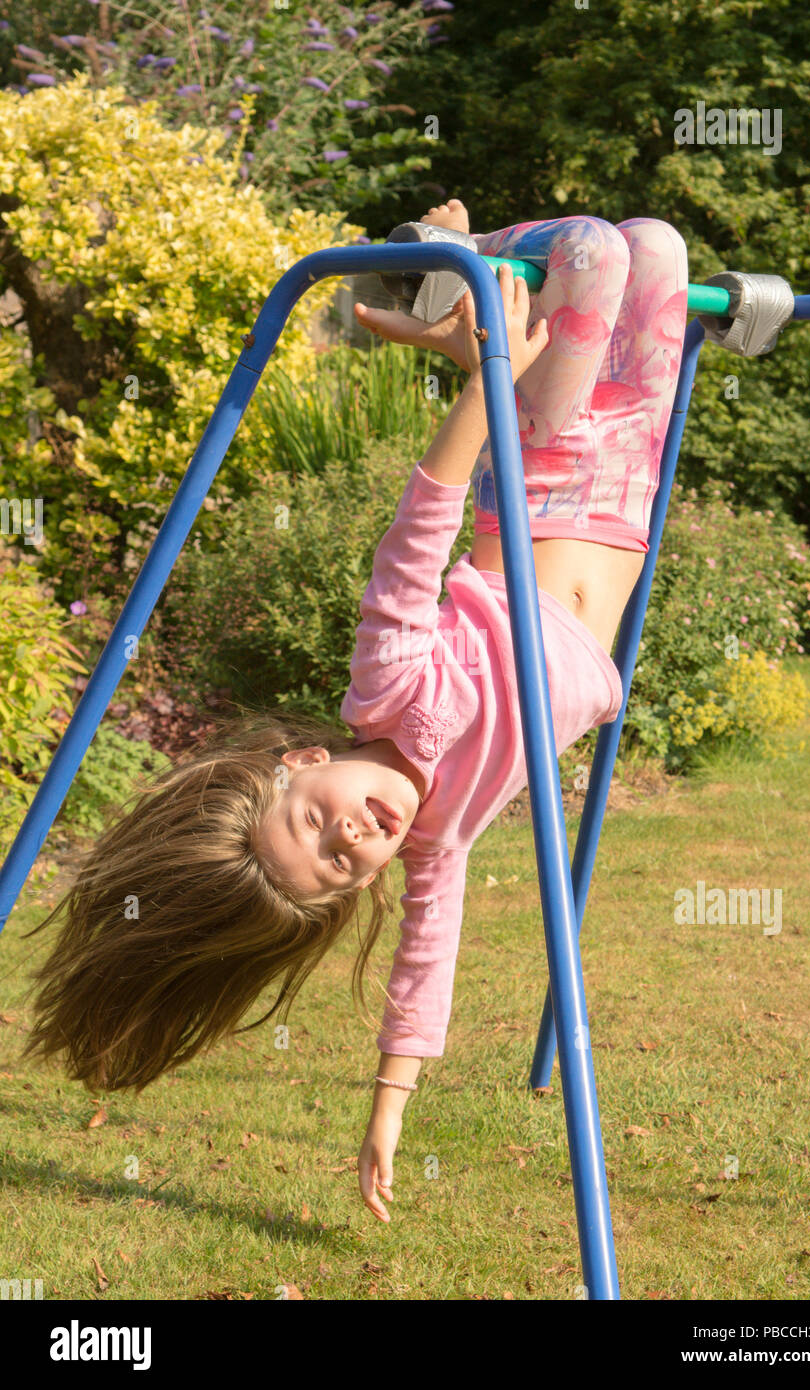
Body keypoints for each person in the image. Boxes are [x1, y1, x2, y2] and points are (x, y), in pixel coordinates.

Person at [21, 197, 687, 1227]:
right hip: (627, 488)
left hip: (543, 470)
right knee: (659, 252)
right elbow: (424, 972)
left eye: (308, 820)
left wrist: (484, 384)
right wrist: (387, 1112)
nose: (348, 836)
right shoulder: (441, 834)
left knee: (604, 249)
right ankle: (454, 296)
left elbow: (415, 534)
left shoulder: (389, 690)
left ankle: (448, 268)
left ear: (297, 761)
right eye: (337, 866)